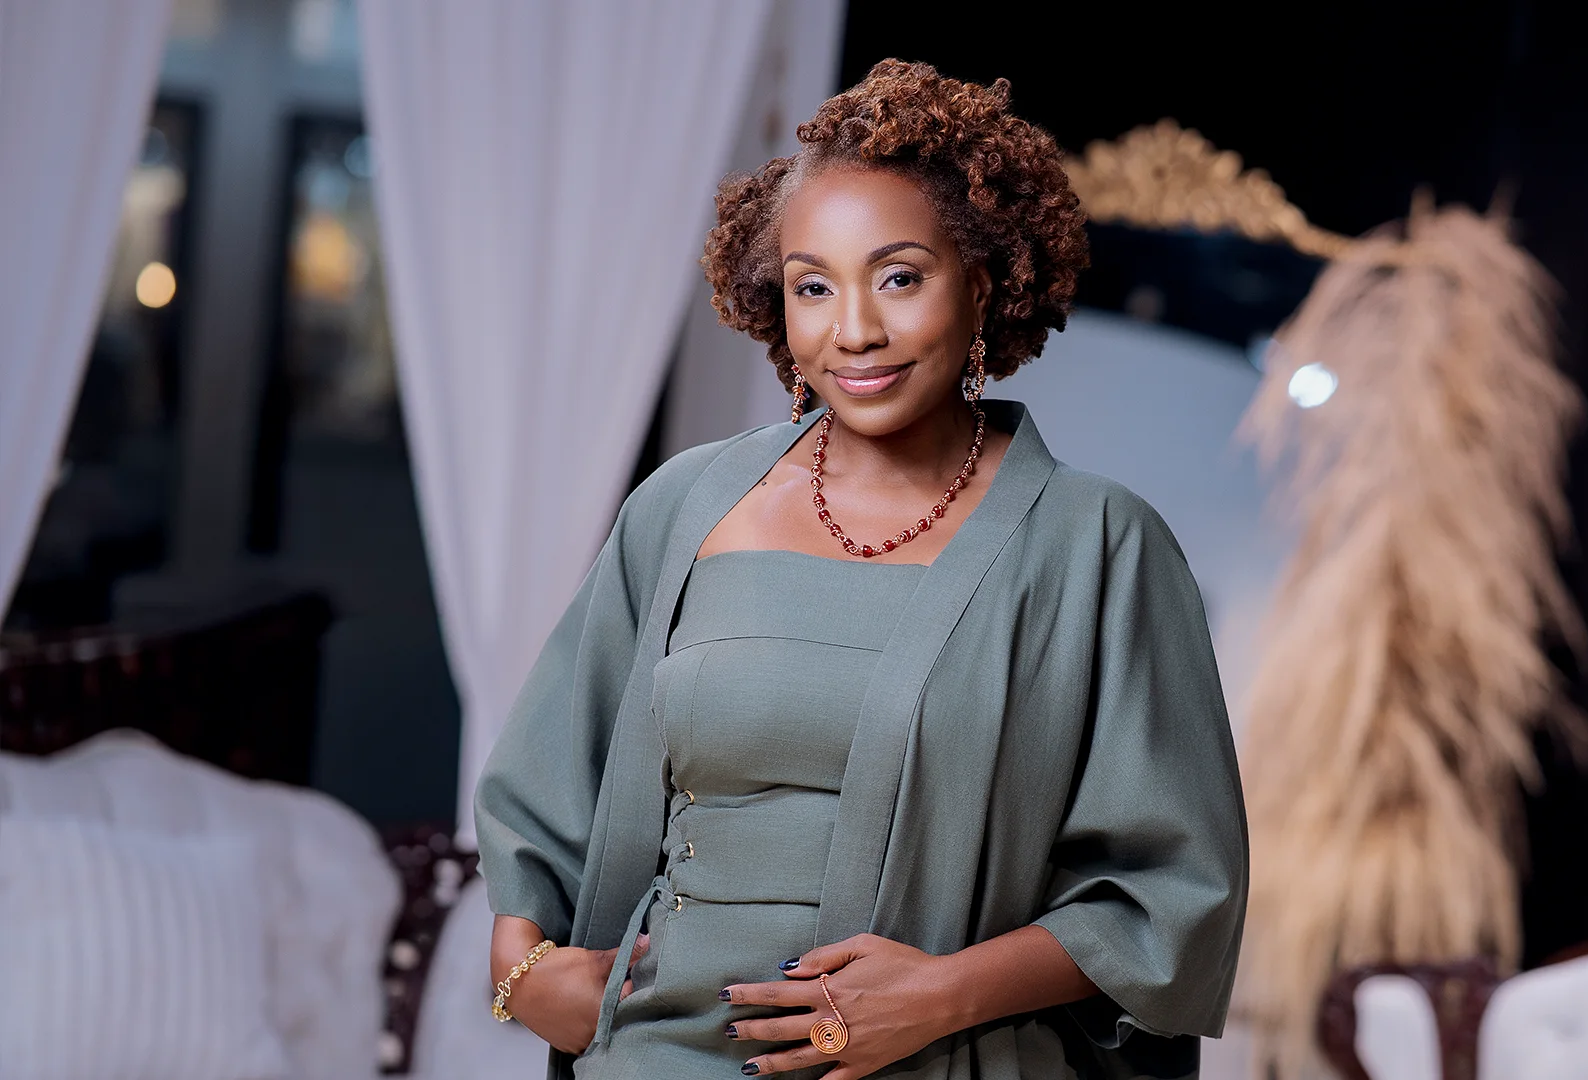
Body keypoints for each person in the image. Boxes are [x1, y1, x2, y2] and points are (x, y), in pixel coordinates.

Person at [476, 59, 1248, 1080]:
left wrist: (938, 996)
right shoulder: (684, 508)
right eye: (812, 286)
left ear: (983, 280)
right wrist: (521, 973)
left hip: (944, 1062)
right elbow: (543, 785)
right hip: (655, 1054)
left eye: (899, 276)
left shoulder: (1097, 546)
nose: (854, 330)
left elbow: (1171, 891)